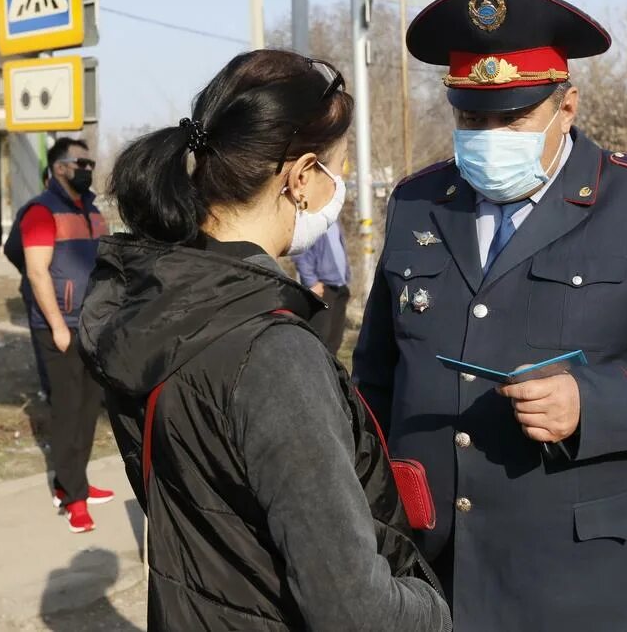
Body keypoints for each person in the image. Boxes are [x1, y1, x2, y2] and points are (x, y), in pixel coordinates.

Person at [353, 0, 627, 631]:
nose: (488, 139)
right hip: (429, 565)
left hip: (581, 578)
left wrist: (591, 403)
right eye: (472, 120)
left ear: (566, 107)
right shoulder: (419, 201)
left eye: (511, 120)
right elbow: (376, 374)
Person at [78, 50, 451, 631]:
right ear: (301, 178)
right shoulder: (270, 352)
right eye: (337, 169)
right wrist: (436, 607)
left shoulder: (156, 304)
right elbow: (354, 609)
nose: (341, 187)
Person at [16, 137, 112, 532]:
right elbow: (38, 272)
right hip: (60, 328)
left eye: (90, 163)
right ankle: (73, 498)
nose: (88, 169)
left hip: (93, 324)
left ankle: (77, 482)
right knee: (68, 410)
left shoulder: (92, 210)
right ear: (60, 168)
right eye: (81, 163)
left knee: (89, 408)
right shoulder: (41, 211)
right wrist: (57, 324)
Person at [292, 221, 351, 354]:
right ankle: (314, 372)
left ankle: (331, 373)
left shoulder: (335, 221)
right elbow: (301, 255)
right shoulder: (312, 220)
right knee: (319, 338)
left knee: (335, 340)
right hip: (322, 288)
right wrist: (311, 282)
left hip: (340, 286)